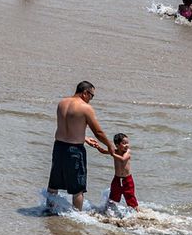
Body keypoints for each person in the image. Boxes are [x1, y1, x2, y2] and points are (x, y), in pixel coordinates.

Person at [46, 81, 117, 212]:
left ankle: (48, 210)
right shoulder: (85, 108)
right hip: (74, 150)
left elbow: (65, 127)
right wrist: (110, 145)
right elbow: (98, 133)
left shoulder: (62, 103)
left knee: (53, 184)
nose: (91, 99)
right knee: (78, 188)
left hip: (59, 147)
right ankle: (77, 216)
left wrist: (84, 138)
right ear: (85, 93)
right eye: (92, 96)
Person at [88, 132, 138, 210]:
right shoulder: (115, 151)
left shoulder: (127, 152)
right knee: (113, 197)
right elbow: (103, 151)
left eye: (127, 143)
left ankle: (137, 213)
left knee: (130, 198)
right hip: (117, 179)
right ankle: (109, 212)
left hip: (127, 180)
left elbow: (123, 159)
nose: (126, 145)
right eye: (124, 143)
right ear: (117, 145)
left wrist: (112, 154)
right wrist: (97, 147)